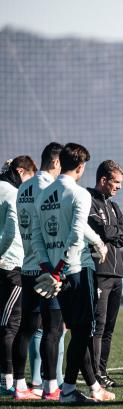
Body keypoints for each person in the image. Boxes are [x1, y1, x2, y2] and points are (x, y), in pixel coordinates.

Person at [31, 143, 114, 403]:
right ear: (80, 167)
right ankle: (67, 390)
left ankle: (87, 388)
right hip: (75, 272)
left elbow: (36, 237)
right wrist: (59, 270)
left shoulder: (43, 194)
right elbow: (76, 235)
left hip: (54, 276)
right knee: (84, 331)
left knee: (75, 331)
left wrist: (49, 268)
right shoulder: (80, 194)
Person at [12, 144, 78, 401]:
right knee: (53, 329)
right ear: (57, 163)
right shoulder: (47, 189)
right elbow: (50, 230)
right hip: (46, 268)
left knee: (27, 328)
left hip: (27, 265)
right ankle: (49, 386)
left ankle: (19, 385)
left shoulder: (23, 188)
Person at [87, 160, 123, 388]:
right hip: (99, 272)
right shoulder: (88, 201)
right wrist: (113, 233)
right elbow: (101, 230)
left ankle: (102, 373)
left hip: (117, 274)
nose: (119, 187)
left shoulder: (113, 206)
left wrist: (113, 233)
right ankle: (93, 375)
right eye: (116, 182)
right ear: (103, 180)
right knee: (98, 326)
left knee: (109, 328)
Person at [0, 156, 36, 395]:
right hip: (11, 265)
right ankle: (6, 382)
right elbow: (12, 230)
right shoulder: (12, 193)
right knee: (11, 325)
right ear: (20, 171)